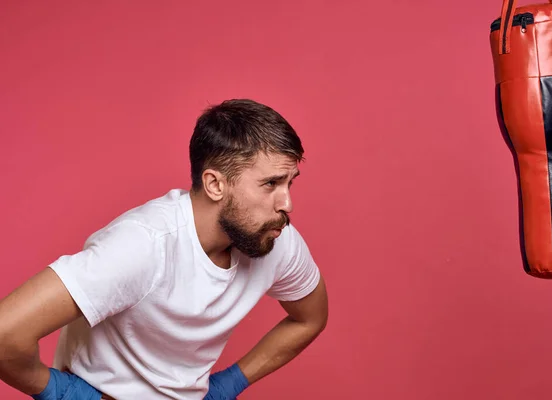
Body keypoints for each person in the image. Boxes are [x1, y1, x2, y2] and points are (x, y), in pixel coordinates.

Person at [0, 99, 329, 400]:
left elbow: (309, 319)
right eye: (270, 184)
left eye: (290, 182)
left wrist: (229, 384)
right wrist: (64, 393)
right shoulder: (143, 245)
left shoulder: (276, 239)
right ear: (215, 184)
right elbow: (5, 335)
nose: (287, 203)